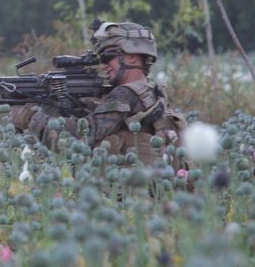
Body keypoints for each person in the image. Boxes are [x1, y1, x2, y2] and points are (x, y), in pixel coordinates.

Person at [10, 19, 185, 166]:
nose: (102, 65)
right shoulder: (150, 90)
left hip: (127, 193)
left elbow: (81, 136)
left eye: (108, 57)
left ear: (132, 56)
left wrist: (30, 118)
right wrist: (82, 107)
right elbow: (112, 125)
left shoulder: (126, 94)